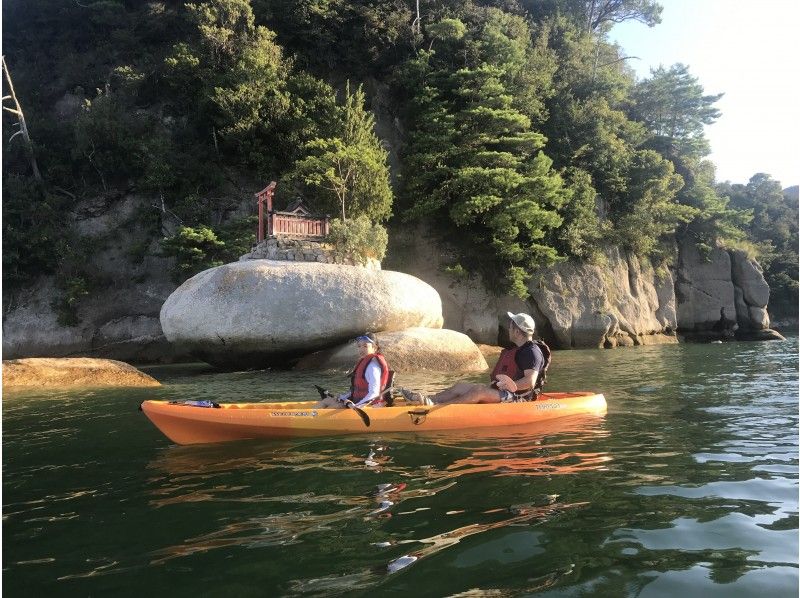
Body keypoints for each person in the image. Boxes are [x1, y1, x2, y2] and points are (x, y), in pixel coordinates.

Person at [402, 312, 546, 405]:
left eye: (510, 326)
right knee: (460, 386)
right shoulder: (519, 350)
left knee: (478, 391)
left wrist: (507, 385)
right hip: (504, 392)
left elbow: (529, 382)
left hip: (518, 399)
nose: (508, 329)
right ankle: (428, 400)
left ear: (517, 331)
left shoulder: (531, 352)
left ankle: (438, 408)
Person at [315, 334, 391, 408]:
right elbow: (356, 389)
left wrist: (357, 406)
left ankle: (312, 418)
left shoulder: (372, 367)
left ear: (375, 348)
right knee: (326, 401)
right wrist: (342, 397)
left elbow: (374, 393)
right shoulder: (365, 363)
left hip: (368, 405)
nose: (361, 349)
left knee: (334, 406)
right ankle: (310, 416)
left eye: (365, 346)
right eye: (359, 346)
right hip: (357, 401)